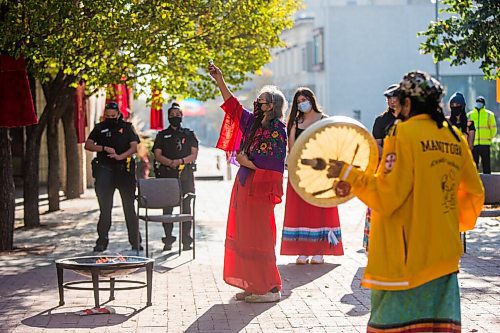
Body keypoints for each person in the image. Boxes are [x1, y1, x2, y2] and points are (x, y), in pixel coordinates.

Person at [327, 71, 484, 332]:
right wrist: (445, 222)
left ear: (409, 103)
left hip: (406, 260)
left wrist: (349, 174)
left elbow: (388, 196)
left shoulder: (402, 134)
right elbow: (475, 193)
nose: (397, 105)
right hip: (444, 257)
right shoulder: (455, 137)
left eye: (400, 100)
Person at [209, 62, 287, 303]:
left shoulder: (278, 131)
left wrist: (246, 161)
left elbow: (273, 165)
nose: (257, 104)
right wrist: (219, 79)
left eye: (262, 101)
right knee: (243, 235)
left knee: (259, 236)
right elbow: (233, 107)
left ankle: (269, 288)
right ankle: (253, 284)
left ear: (272, 106)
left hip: (260, 191)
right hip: (244, 186)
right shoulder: (254, 124)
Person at [280, 87, 343, 265]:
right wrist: (292, 128)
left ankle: (319, 250)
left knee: (318, 210)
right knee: (299, 210)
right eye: (298, 102)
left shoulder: (324, 120)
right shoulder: (295, 122)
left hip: (320, 171)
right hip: (299, 171)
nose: (302, 104)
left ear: (311, 99)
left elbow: (332, 144)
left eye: (304, 100)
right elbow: (291, 149)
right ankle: (302, 250)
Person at [84, 101, 142, 252]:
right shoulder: (99, 127)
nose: (110, 117)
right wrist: (103, 148)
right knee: (105, 209)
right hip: (105, 172)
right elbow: (88, 145)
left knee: (129, 208)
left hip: (124, 172)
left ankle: (136, 241)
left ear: (118, 114)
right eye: (107, 115)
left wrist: (120, 156)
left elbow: (134, 147)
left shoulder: (127, 127)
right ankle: (102, 241)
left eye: (113, 115)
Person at [153, 102, 199, 251]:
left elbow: (194, 154)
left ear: (182, 116)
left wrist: (180, 161)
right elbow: (157, 154)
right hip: (167, 175)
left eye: (178, 115)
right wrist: (169, 162)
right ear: (168, 117)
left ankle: (186, 240)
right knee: (167, 209)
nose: (175, 117)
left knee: (186, 208)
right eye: (172, 115)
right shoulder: (162, 135)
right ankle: (168, 240)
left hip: (185, 174)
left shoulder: (189, 133)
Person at [363, 84, 402, 252]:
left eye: (395, 98)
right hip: (385, 169)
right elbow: (376, 145)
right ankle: (378, 244)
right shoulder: (381, 121)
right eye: (389, 98)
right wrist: (389, 158)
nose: (392, 101)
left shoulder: (409, 120)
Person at [467, 96, 497, 174]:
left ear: (483, 104)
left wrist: (489, 138)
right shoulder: (470, 115)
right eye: (477, 102)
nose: (478, 104)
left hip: (485, 144)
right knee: (474, 166)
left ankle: (488, 183)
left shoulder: (489, 115)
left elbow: (493, 129)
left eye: (480, 102)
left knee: (486, 165)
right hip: (474, 144)